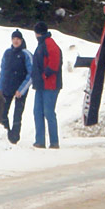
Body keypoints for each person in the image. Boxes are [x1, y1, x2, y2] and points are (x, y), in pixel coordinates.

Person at [30, 21, 63, 149]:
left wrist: (44, 75)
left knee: (48, 112)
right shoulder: (45, 43)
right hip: (42, 84)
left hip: (49, 84)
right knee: (38, 111)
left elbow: (54, 63)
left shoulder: (48, 43)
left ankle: (53, 142)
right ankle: (41, 141)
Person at [0, 29, 33, 144]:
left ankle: (15, 137)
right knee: (3, 112)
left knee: (17, 115)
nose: (15, 41)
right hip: (7, 88)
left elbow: (31, 74)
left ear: (21, 40)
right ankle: (6, 134)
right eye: (14, 39)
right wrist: (0, 89)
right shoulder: (7, 53)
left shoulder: (26, 54)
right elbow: (3, 71)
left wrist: (22, 90)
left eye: (18, 39)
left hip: (20, 90)